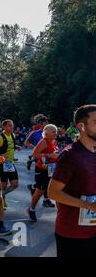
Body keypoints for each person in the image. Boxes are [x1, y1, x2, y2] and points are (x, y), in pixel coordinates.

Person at [48, 104, 96, 257]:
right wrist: (89, 206)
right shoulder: (70, 155)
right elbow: (53, 192)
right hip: (72, 234)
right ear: (82, 126)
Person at [27, 124, 59, 221]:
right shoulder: (43, 142)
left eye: (56, 131)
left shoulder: (54, 142)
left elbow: (55, 155)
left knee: (56, 190)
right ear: (46, 133)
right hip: (41, 169)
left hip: (51, 169)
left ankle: (61, 214)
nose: (55, 133)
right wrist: (50, 155)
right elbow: (35, 155)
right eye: (53, 131)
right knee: (40, 191)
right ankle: (31, 209)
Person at [0, 120, 22, 209]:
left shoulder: (12, 135)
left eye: (12, 125)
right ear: (3, 127)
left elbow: (11, 145)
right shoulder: (0, 137)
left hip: (10, 163)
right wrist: (0, 156)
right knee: (3, 185)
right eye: (9, 125)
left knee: (15, 184)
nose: (11, 127)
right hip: (2, 164)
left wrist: (16, 147)